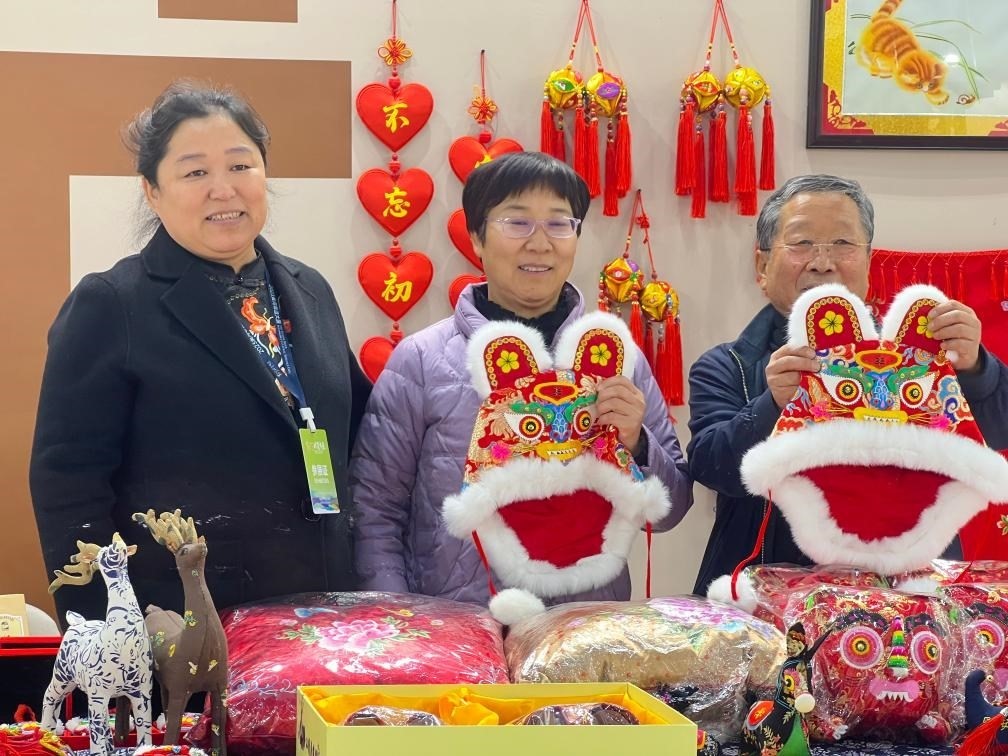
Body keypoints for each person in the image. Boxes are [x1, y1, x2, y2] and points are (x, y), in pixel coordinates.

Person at [30, 81, 370, 624]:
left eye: (241, 165)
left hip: (322, 609)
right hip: (185, 622)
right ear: (152, 191)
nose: (223, 189)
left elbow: (356, 437)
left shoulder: (310, 289)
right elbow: (68, 486)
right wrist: (109, 628)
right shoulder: (112, 304)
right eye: (195, 172)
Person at [350, 151, 693, 605]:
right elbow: (374, 513)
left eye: (559, 223)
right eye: (517, 222)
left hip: (584, 628)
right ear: (477, 237)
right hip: (460, 628)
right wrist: (404, 624)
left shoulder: (615, 357)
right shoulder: (420, 361)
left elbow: (670, 512)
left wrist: (638, 445)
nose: (540, 243)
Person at [689, 174, 1008, 595]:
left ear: (869, 262)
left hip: (901, 599)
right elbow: (712, 468)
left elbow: (998, 433)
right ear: (762, 266)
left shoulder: (921, 351)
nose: (822, 262)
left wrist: (975, 369)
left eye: (843, 243)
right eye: (801, 243)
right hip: (763, 598)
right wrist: (773, 405)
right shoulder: (726, 365)